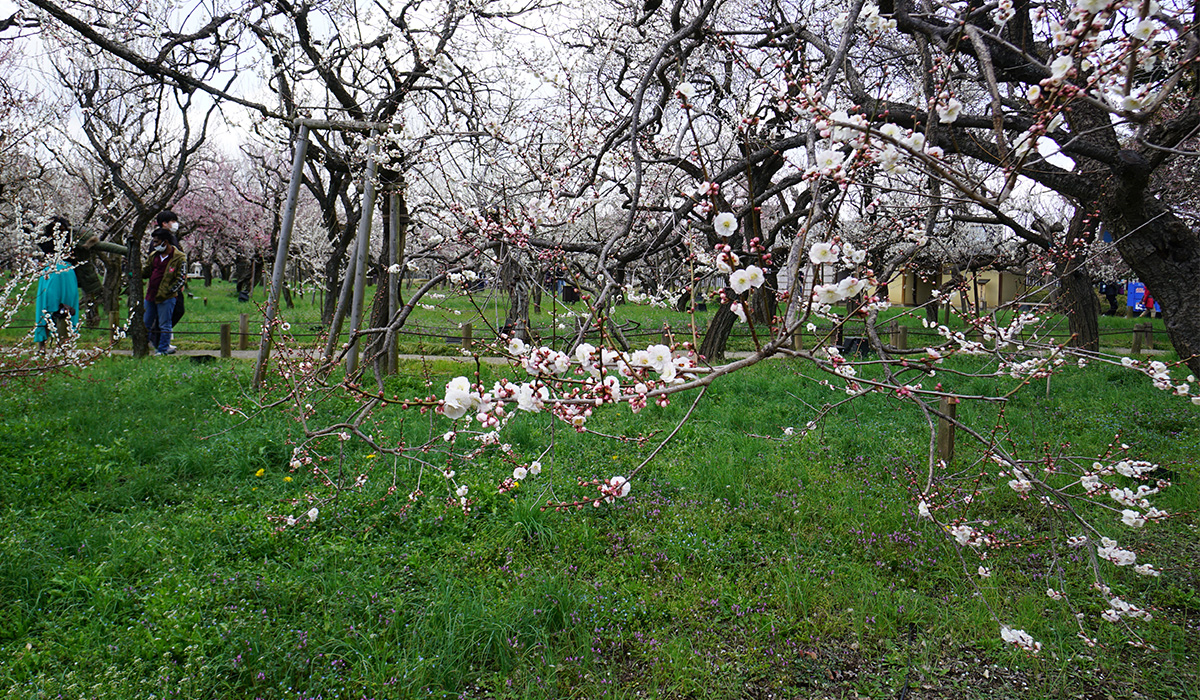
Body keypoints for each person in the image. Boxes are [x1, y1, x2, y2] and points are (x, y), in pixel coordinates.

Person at [33, 217, 79, 354]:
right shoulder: (71, 241)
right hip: (65, 274)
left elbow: (34, 236)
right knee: (65, 307)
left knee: (45, 308)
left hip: (52, 273)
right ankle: (64, 345)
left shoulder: (46, 242)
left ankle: (43, 346)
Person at [141, 227, 187, 355]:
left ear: (165, 242)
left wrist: (169, 291)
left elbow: (181, 278)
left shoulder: (179, 258)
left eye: (156, 242)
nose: (154, 245)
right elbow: (146, 271)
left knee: (164, 324)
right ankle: (143, 347)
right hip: (151, 295)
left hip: (166, 297)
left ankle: (162, 349)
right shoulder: (154, 256)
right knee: (146, 323)